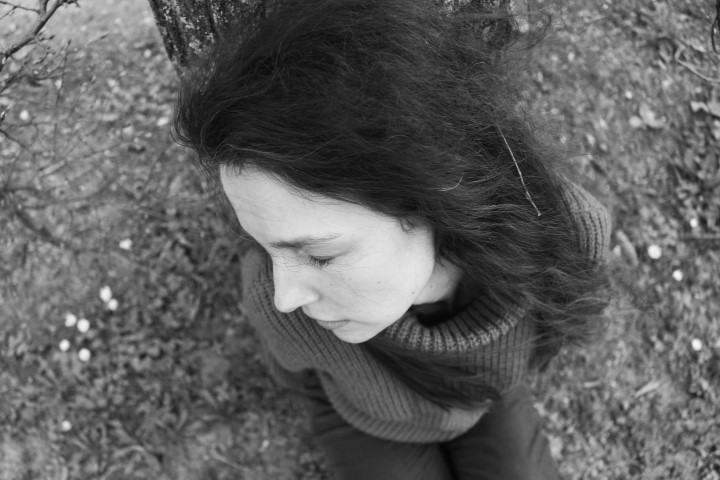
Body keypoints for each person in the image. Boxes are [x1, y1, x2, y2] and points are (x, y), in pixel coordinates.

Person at [173, 0, 611, 478]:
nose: (284, 298)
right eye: (263, 244)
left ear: (431, 201)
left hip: (482, 394)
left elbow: (554, 333)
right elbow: (299, 375)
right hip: (367, 422)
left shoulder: (561, 236)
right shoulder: (285, 314)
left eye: (318, 255)